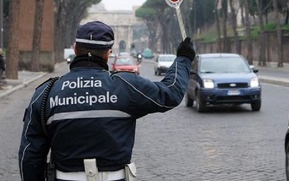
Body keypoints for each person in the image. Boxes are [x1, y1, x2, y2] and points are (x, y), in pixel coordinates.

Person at [18, 21, 195, 181]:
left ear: (75, 49)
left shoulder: (46, 92)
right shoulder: (126, 86)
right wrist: (184, 59)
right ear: (108, 54)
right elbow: (171, 92)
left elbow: (30, 154)